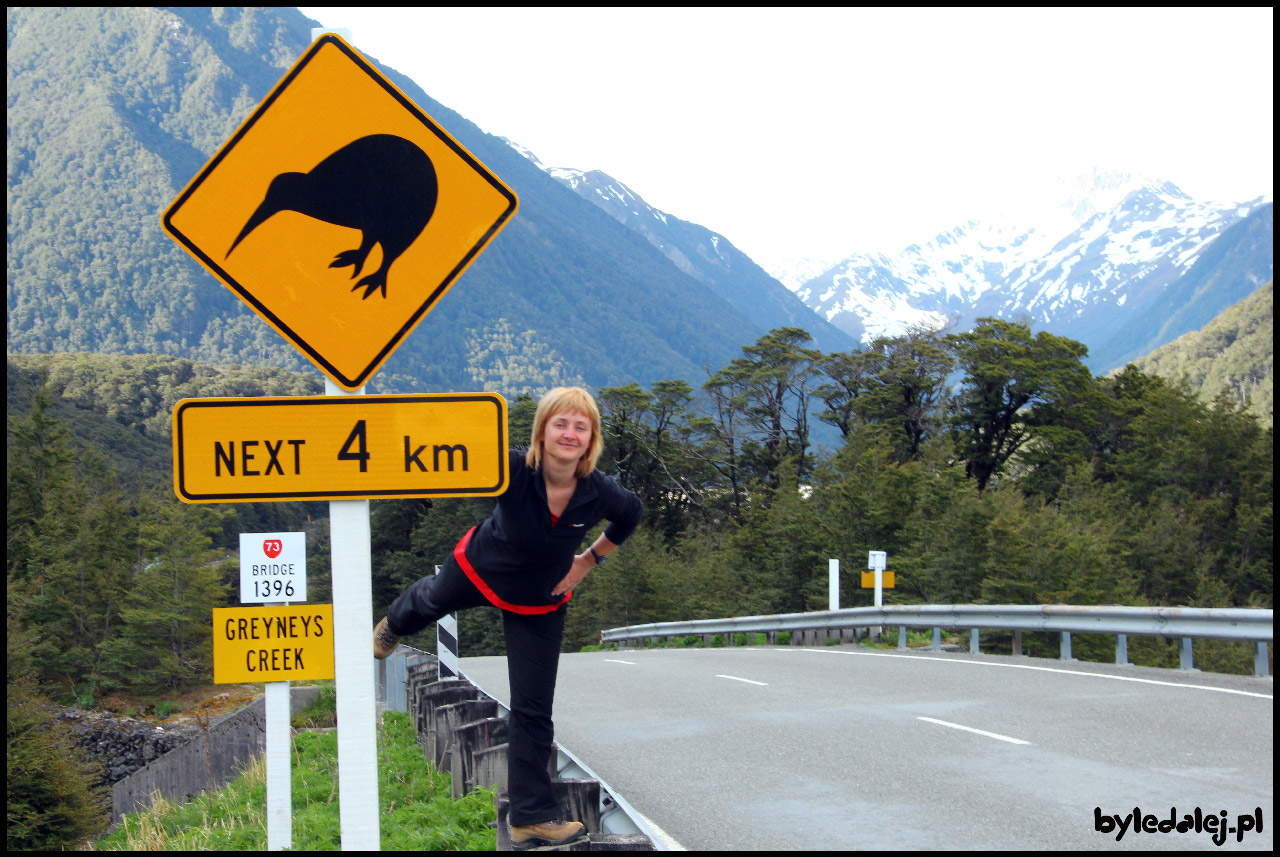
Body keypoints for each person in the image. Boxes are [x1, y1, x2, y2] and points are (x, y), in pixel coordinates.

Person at [374, 386, 643, 850]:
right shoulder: (514, 467)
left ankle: (530, 818)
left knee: (534, 710)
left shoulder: (599, 491)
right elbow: (451, 452)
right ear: (542, 429)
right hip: (482, 569)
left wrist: (588, 560)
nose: (570, 433)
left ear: (592, 437)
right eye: (561, 423)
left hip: (541, 598)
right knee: (432, 598)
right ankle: (394, 623)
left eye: (581, 426)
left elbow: (631, 515)